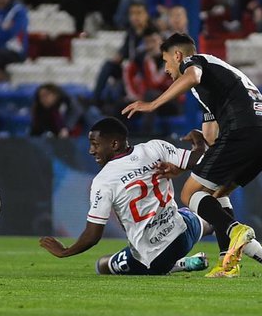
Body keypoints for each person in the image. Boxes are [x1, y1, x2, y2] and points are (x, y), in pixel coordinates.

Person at [122, 33, 262, 279]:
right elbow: (213, 140)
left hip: (243, 130)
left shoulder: (195, 63)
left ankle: (236, 231)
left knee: (189, 194)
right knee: (215, 195)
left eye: (166, 61)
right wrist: (189, 161)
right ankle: (248, 263)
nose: (167, 69)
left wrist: (152, 104)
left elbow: (192, 76)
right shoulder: (214, 83)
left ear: (178, 56)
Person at [39, 117, 210, 275]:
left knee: (102, 265)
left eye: (95, 144)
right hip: (183, 235)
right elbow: (199, 159)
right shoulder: (155, 148)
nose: (91, 151)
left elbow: (93, 235)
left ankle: (179, 265)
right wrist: (199, 142)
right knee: (211, 216)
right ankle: (228, 243)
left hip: (153, 259)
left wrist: (65, 251)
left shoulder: (103, 181)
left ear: (114, 144)